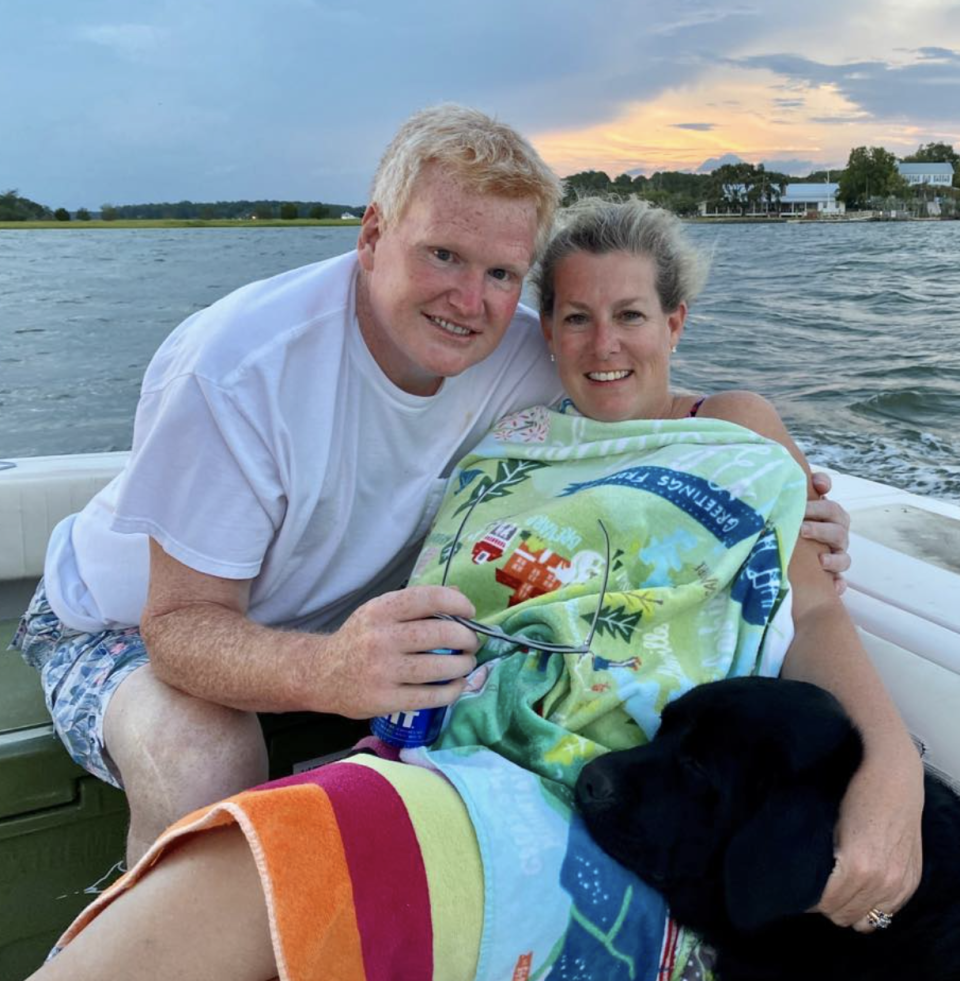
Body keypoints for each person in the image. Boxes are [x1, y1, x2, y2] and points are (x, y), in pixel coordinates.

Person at [27, 199, 919, 981]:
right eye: (573, 317)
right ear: (543, 328)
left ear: (676, 322)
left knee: (261, 868)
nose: (602, 345)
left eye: (631, 315)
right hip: (451, 743)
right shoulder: (520, 423)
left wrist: (896, 770)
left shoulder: (736, 431)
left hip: (619, 775)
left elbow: (813, 607)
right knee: (252, 849)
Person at [12, 105, 850, 867]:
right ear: (373, 234)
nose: (469, 300)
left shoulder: (519, 351)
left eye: (500, 273)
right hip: (124, 626)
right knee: (205, 758)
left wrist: (792, 498)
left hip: (346, 629)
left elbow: (650, 400)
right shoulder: (239, 369)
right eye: (443, 254)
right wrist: (332, 671)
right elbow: (180, 628)